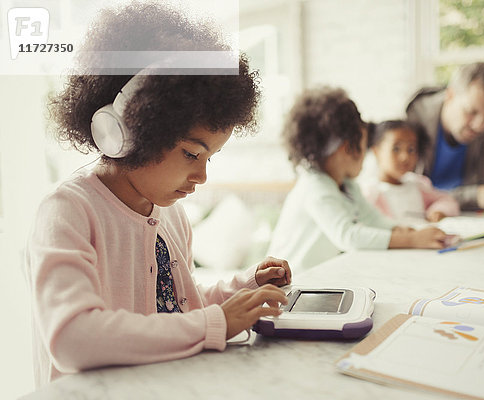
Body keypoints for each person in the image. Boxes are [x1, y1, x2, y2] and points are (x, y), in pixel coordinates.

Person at [25, 3, 291, 387]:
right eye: (191, 154)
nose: (201, 176)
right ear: (129, 130)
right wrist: (216, 322)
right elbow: (72, 338)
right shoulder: (69, 210)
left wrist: (243, 290)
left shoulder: (172, 214)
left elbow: (178, 307)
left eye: (210, 158)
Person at [267, 87, 450, 272]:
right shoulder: (314, 187)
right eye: (364, 147)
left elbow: (372, 218)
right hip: (290, 288)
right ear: (347, 147)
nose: (365, 155)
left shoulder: (346, 185)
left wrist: (409, 231)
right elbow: (348, 235)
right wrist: (411, 240)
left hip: (316, 280)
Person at [405, 61, 484, 214]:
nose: (479, 125)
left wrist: (481, 197)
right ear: (450, 95)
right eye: (471, 112)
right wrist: (473, 196)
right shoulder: (416, 117)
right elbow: (407, 195)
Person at [366, 119, 460, 222]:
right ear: (376, 151)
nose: (405, 157)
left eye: (411, 149)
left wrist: (438, 211)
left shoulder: (418, 185)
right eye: (396, 149)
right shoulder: (371, 194)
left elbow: (447, 200)